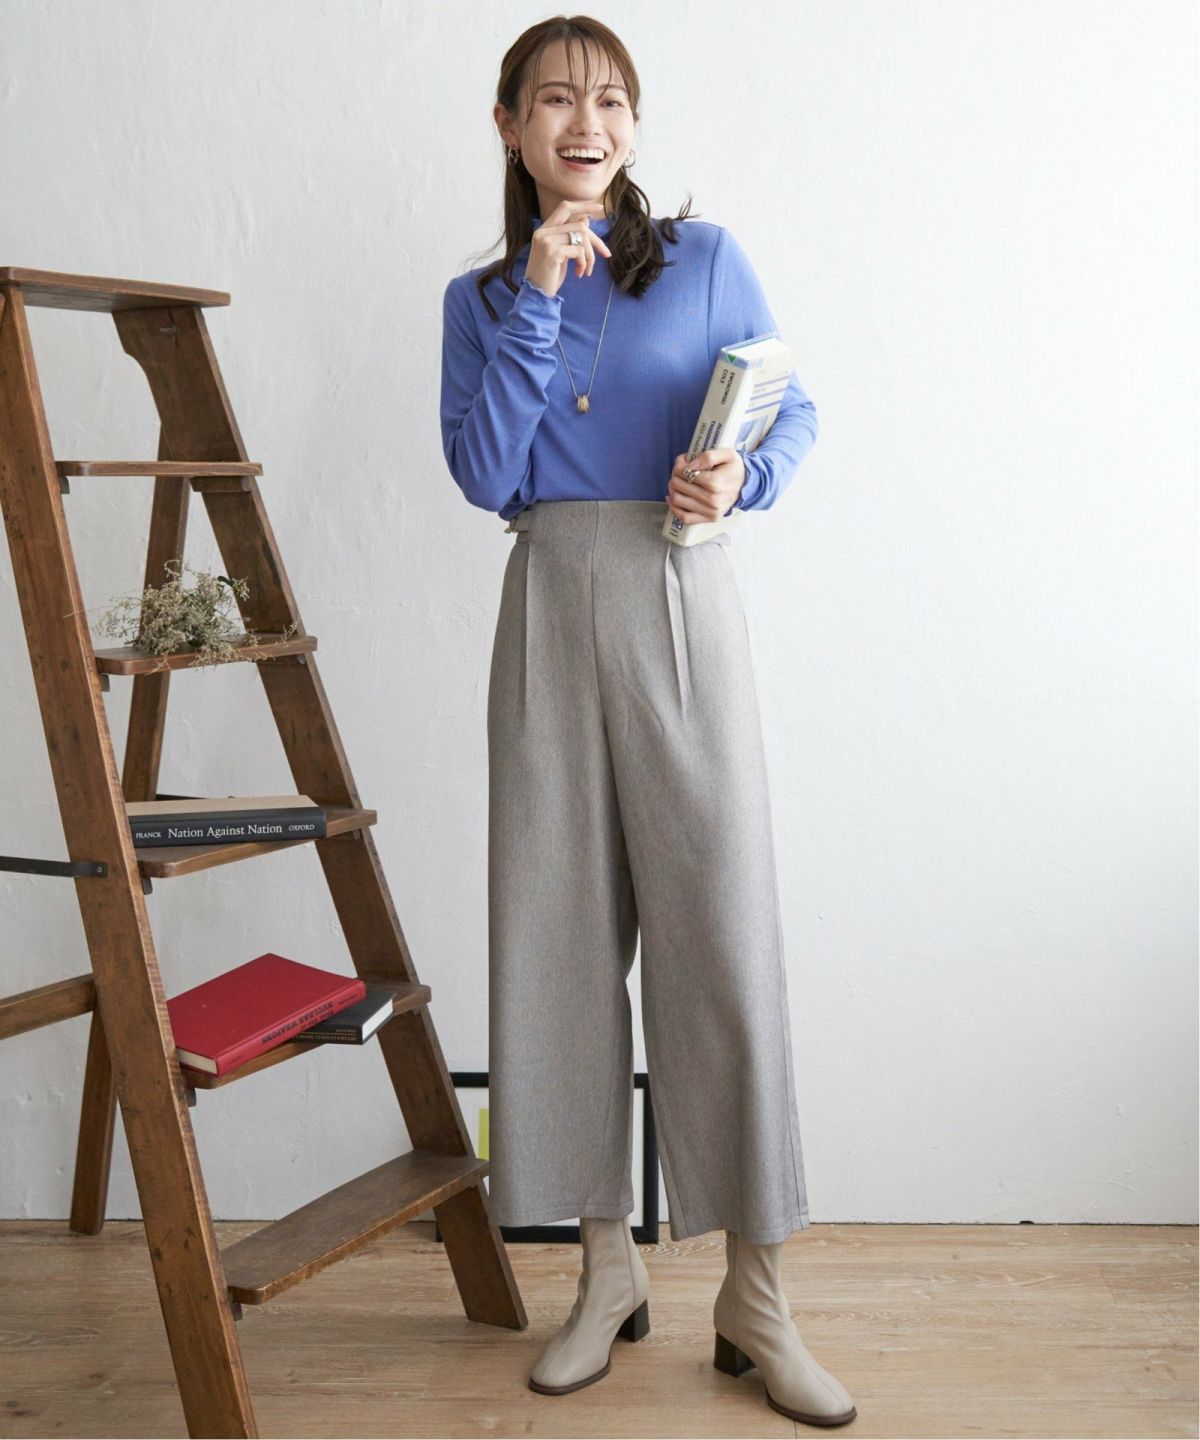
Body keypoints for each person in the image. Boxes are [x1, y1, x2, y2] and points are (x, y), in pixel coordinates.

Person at [439, 15, 856, 1429]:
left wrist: (743, 480)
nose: (587, 122)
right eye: (556, 98)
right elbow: (484, 470)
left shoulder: (709, 258)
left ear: (633, 125)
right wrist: (537, 298)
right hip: (550, 599)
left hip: (684, 595)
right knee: (555, 939)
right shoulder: (479, 299)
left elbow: (793, 411)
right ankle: (603, 1269)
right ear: (510, 124)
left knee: (719, 932)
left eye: (611, 100)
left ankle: (758, 1296)